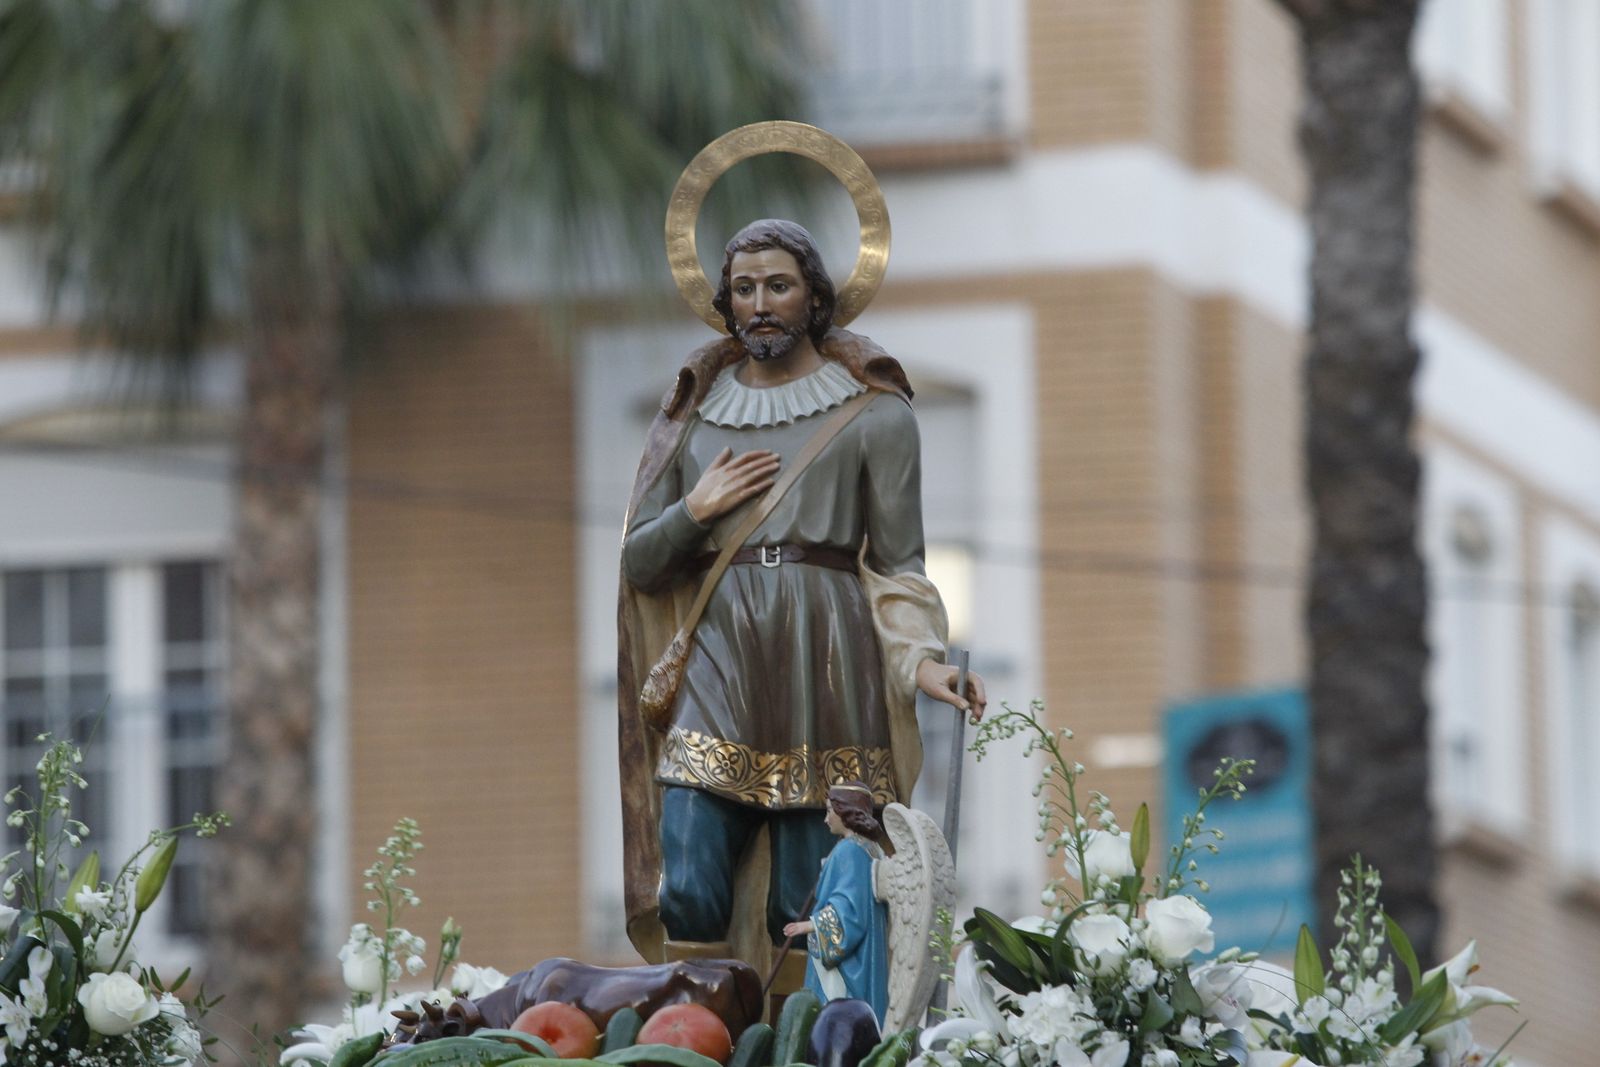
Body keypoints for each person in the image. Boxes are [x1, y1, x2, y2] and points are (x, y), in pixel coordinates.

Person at [616, 219, 986, 967]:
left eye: (777, 285)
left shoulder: (875, 417)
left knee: (809, 894)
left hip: (828, 658)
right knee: (687, 870)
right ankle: (698, 1033)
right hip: (724, 649)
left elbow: (898, 564)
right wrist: (696, 509)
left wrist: (923, 662)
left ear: (814, 297)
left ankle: (801, 1042)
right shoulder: (693, 421)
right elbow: (639, 566)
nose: (759, 303)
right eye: (744, 289)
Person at [782, 782, 891, 1023]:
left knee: (833, 1021)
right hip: (864, 956)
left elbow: (849, 914)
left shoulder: (849, 851)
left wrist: (808, 926)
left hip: (847, 964)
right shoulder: (872, 849)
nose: (826, 819)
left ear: (846, 812)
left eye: (830, 811)